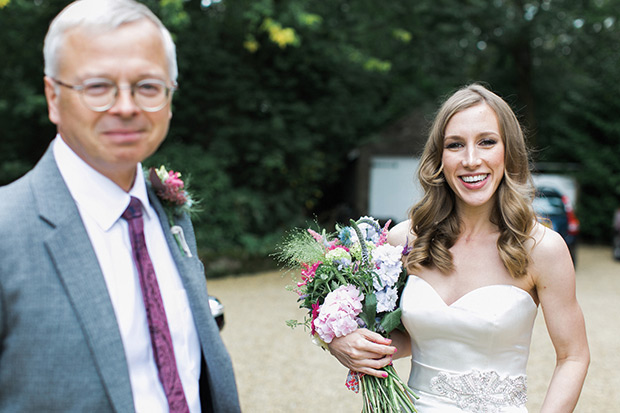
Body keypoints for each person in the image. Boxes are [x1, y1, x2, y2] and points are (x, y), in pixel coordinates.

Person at [0, 1, 241, 412]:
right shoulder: (8, 230)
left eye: (147, 86)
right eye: (97, 86)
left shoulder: (170, 214)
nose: (126, 107)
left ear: (169, 98)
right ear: (53, 97)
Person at [329, 84, 589, 412]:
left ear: (509, 151)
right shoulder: (404, 241)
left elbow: (573, 357)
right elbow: (404, 339)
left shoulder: (542, 248)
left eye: (487, 142)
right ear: (439, 157)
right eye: (455, 145)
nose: (470, 159)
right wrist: (340, 340)